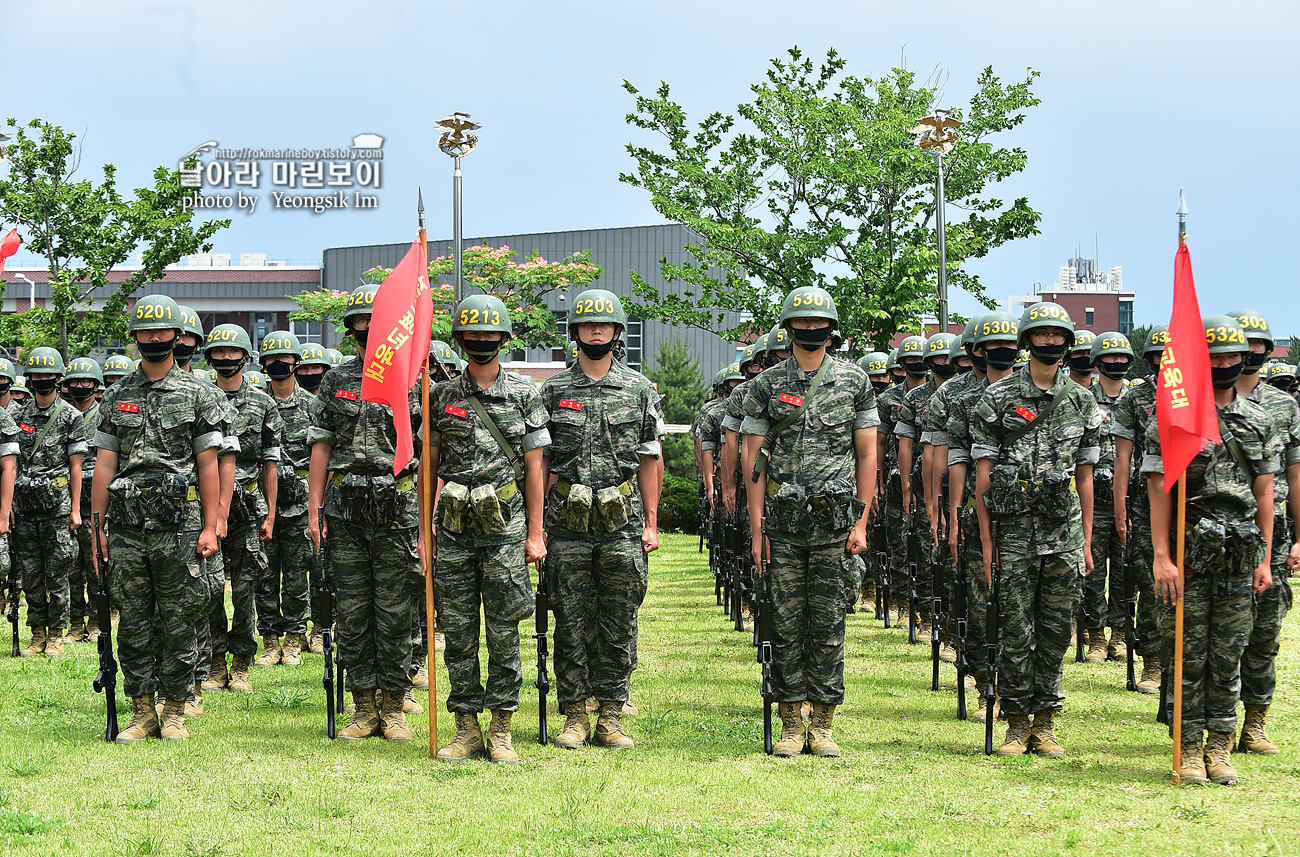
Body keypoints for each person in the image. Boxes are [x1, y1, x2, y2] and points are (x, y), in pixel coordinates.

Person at [741, 285, 876, 757]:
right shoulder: (766, 385)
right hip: (782, 524)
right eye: (803, 323)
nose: (811, 330)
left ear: (831, 329)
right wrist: (757, 530)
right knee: (784, 620)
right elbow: (753, 459)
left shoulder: (855, 382)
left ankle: (823, 723)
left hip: (835, 525)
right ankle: (791, 722)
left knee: (828, 621)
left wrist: (860, 523)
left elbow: (866, 454)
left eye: (819, 324)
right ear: (789, 327)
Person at [1144, 315, 1276, 786]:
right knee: (1186, 652)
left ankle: (1221, 744)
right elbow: (1158, 487)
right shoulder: (1173, 416)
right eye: (1213, 357)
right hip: (1187, 554)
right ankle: (1190, 747)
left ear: (1245, 359)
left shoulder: (1259, 420)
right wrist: (1162, 555)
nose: (1223, 365)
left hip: (1238, 558)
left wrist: (1264, 558)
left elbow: (1265, 492)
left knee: (1227, 652)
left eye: (1231, 357)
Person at [92, 294, 225, 742]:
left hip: (179, 523)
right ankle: (142, 709)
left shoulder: (199, 392)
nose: (153, 337)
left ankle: (174, 710)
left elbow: (208, 463)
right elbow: (105, 464)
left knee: (180, 616)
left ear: (177, 336)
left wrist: (211, 524)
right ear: (134, 337)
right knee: (131, 618)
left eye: (161, 330)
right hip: (128, 525)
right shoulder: (116, 396)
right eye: (145, 331)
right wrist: (98, 526)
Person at [973, 301, 1102, 759]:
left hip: (1062, 532)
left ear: (1068, 341)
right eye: (1042, 335)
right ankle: (1015, 723)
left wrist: (1086, 541)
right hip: (1010, 532)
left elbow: (1084, 477)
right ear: (1028, 340)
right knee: (1014, 627)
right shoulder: (998, 397)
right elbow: (983, 471)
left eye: (1058, 335)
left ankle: (1045, 723)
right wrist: (987, 538)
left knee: (1054, 630)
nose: (1051, 342)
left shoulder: (1083, 401)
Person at [426, 295, 549, 763]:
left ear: (504, 339)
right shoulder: (439, 396)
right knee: (457, 630)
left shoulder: (524, 394)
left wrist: (535, 533)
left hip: (505, 528)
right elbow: (431, 465)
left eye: (490, 335)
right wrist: (426, 528)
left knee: (503, 629)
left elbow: (536, 467)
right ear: (459, 340)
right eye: (472, 335)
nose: (481, 342)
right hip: (455, 529)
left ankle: (501, 727)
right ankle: (465, 727)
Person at [541, 288, 660, 751]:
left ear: (615, 332)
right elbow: (542, 462)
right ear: (575, 333)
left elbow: (650, 458)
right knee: (569, 619)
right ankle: (574, 716)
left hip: (621, 523)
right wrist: (538, 526)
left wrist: (650, 522)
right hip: (567, 525)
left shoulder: (638, 389)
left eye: (604, 325)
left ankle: (610, 714)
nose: (596, 331)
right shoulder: (552, 390)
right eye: (588, 325)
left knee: (618, 620)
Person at [308, 284, 424, 744]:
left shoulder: (415, 379)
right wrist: (316, 510)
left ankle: (394, 708)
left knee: (395, 611)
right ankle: (362, 707)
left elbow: (431, 450)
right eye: (359, 324)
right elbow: (321, 445)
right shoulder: (335, 381)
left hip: (397, 510)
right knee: (353, 611)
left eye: (374, 324)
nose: (366, 331)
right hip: (346, 511)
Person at [1226, 309, 1300, 756]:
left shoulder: (1285, 406)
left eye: (1258, 345)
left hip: (1270, 533)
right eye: (1241, 345)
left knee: (1264, 632)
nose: (1250, 352)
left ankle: (1255, 722)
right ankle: (1205, 723)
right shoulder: (1196, 403)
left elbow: (1295, 475)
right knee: (1213, 633)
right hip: (1214, 534)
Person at [946, 311, 1020, 723]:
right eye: (993, 346)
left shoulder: (1037, 392)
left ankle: (1017, 692)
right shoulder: (961, 397)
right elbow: (954, 460)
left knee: (1019, 609)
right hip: (980, 516)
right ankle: (983, 682)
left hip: (1030, 517)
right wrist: (955, 515)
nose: (1002, 352)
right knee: (980, 604)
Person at [203, 324, 281, 690]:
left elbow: (270, 462)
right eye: (219, 352)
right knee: (211, 586)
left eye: (233, 353)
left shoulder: (263, 402)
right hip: (206, 507)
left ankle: (242, 664)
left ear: (245, 357)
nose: (226, 359)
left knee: (247, 586)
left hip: (248, 505)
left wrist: (270, 512)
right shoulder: (200, 396)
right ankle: (216, 662)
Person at [13, 347, 86, 658]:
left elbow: (76, 466)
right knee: (31, 574)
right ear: (29, 379)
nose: (42, 379)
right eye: (37, 375)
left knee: (58, 572)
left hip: (57, 508)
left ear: (59, 379)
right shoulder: (18, 416)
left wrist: (75, 508)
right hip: (25, 507)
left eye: (48, 375)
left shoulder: (71, 416)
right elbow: (11, 463)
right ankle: (37, 633)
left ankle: (56, 635)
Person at [1111, 326, 1167, 693]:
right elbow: (1123, 455)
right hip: (1147, 503)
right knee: (1151, 584)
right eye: (1160, 355)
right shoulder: (1137, 397)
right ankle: (1152, 662)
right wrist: (1121, 507)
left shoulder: (1202, 396)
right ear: (1149, 359)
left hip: (1196, 506)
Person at [897, 332, 958, 642]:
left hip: (965, 487)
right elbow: (906, 445)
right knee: (927, 552)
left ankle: (955, 621)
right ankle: (925, 615)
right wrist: (908, 486)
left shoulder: (967, 393)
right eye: (939, 358)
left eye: (950, 357)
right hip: (929, 485)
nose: (945, 363)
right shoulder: (916, 398)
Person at [258, 330, 315, 667]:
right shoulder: (256, 403)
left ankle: (293, 638)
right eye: (271, 359)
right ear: (263, 363)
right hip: (262, 504)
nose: (278, 363)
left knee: (297, 575)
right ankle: (269, 639)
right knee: (264, 574)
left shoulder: (312, 406)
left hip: (299, 504)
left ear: (297, 362)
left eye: (285, 358)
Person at [1080, 332, 1134, 664]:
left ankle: (1122, 634)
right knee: (1093, 572)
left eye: (1122, 358)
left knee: (1127, 573)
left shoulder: (1139, 399)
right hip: (1095, 503)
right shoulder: (1084, 399)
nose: (1116, 363)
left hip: (1133, 502)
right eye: (1109, 358)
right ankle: (1096, 635)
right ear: (1098, 362)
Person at [63, 358, 103, 644]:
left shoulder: (103, 415)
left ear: (95, 385)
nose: (80, 387)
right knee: (71, 566)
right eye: (75, 382)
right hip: (66, 502)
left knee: (96, 564)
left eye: (85, 382)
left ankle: (95, 619)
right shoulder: (63, 415)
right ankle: (75, 621)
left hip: (97, 503)